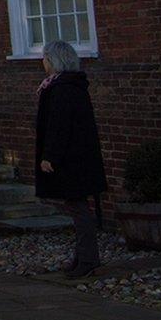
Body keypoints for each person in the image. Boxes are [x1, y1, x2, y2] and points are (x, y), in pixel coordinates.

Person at [34, 40, 107, 278]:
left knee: (79, 209)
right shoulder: (69, 85)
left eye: (45, 58)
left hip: (72, 159)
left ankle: (88, 260)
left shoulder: (62, 89)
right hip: (78, 156)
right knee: (77, 207)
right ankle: (82, 257)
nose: (42, 63)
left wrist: (49, 157)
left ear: (53, 60)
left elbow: (59, 126)